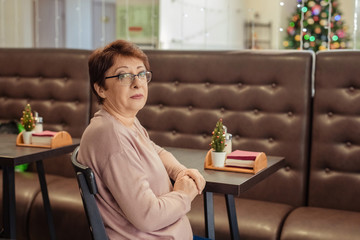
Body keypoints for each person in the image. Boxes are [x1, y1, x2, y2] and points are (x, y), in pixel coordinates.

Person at [78, 39, 206, 240]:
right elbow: (148, 217)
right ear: (100, 89)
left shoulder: (123, 121)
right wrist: (184, 194)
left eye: (141, 74)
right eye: (123, 76)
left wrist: (180, 171)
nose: (137, 82)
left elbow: (155, 150)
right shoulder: (112, 136)